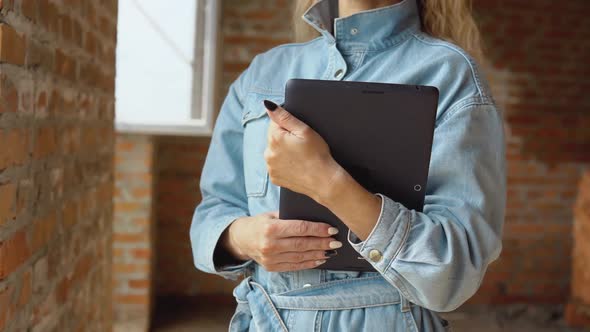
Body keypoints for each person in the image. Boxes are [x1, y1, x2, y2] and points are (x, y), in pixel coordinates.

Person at [190, 0, 506, 330]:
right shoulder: (262, 73)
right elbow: (211, 213)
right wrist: (243, 238)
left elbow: (454, 275)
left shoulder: (450, 74)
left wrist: (326, 182)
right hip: (263, 318)